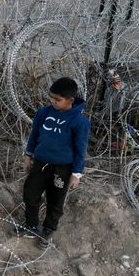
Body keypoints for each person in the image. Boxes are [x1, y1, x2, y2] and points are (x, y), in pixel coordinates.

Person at [20, 77, 90, 249]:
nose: (53, 101)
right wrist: (28, 156)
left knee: (55, 200)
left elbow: (81, 149)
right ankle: (31, 225)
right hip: (41, 163)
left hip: (62, 168)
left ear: (70, 100)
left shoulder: (79, 122)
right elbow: (34, 135)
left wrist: (76, 173)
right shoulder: (43, 113)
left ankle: (49, 229)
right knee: (30, 193)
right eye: (51, 97)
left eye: (57, 99)